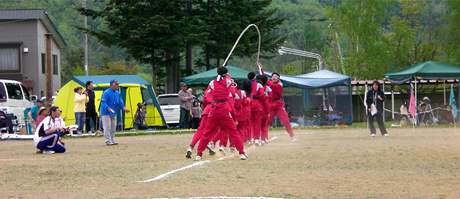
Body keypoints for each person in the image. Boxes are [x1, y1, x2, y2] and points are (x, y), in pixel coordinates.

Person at [195, 66, 247, 161]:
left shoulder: (212, 82)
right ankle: (242, 153)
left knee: (207, 133)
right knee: (233, 132)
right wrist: (228, 76)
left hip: (214, 109)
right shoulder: (228, 81)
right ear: (226, 73)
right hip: (224, 109)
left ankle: (199, 154)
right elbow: (233, 90)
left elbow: (208, 93)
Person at [100, 80, 129, 145]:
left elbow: (120, 102)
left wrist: (124, 108)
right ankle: (108, 140)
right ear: (111, 85)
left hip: (113, 112)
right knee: (107, 127)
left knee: (113, 127)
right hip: (105, 113)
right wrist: (108, 108)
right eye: (116, 84)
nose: (117, 85)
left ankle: (112, 139)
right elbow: (103, 102)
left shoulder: (117, 93)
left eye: (118, 84)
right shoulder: (106, 92)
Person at [268, 72, 295, 140]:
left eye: (276, 76)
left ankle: (292, 135)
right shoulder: (269, 83)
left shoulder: (280, 84)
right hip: (271, 105)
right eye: (273, 76)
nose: (274, 77)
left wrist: (266, 80)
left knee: (286, 121)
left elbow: (273, 86)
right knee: (266, 121)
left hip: (278, 105)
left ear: (278, 78)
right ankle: (261, 137)